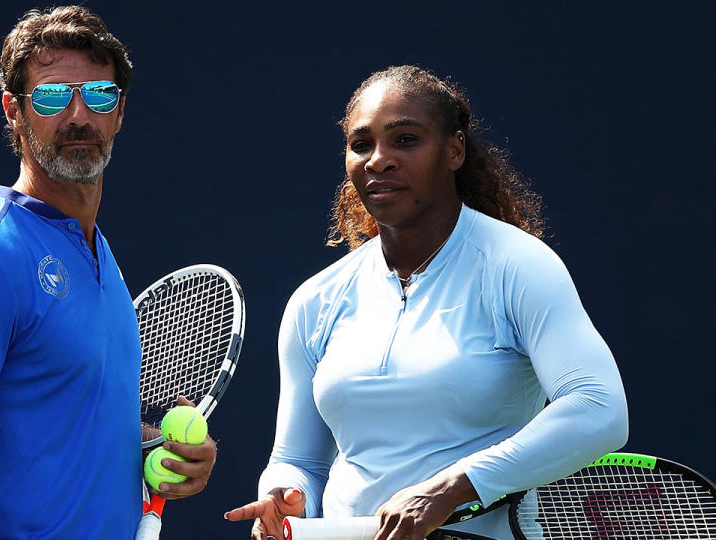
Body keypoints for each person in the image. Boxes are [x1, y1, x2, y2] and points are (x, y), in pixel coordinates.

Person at [225, 65, 628, 540]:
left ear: (454, 150)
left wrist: (451, 487)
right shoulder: (315, 300)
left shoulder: (518, 266)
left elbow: (599, 408)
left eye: (406, 140)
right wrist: (284, 494)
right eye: (361, 144)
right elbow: (298, 459)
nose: (379, 160)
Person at [0, 6, 216, 539]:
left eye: (99, 95)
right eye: (53, 96)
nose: (79, 116)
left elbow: (63, 424)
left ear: (119, 114)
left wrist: (160, 448)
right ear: (14, 111)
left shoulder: (99, 252)